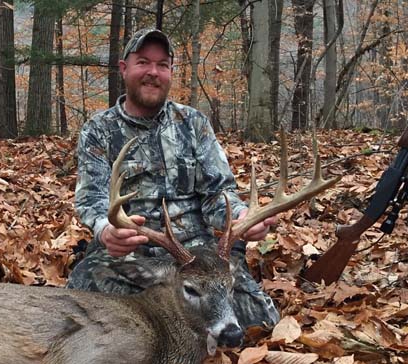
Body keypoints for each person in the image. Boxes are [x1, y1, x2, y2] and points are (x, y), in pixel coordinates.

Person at [67, 28, 279, 329]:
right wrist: (106, 231)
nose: (153, 72)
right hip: (131, 256)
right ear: (124, 68)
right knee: (78, 317)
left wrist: (241, 216)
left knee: (261, 321)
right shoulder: (99, 129)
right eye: (143, 62)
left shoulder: (193, 123)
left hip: (196, 257)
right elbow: (92, 199)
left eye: (162, 65)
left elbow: (217, 193)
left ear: (170, 73)